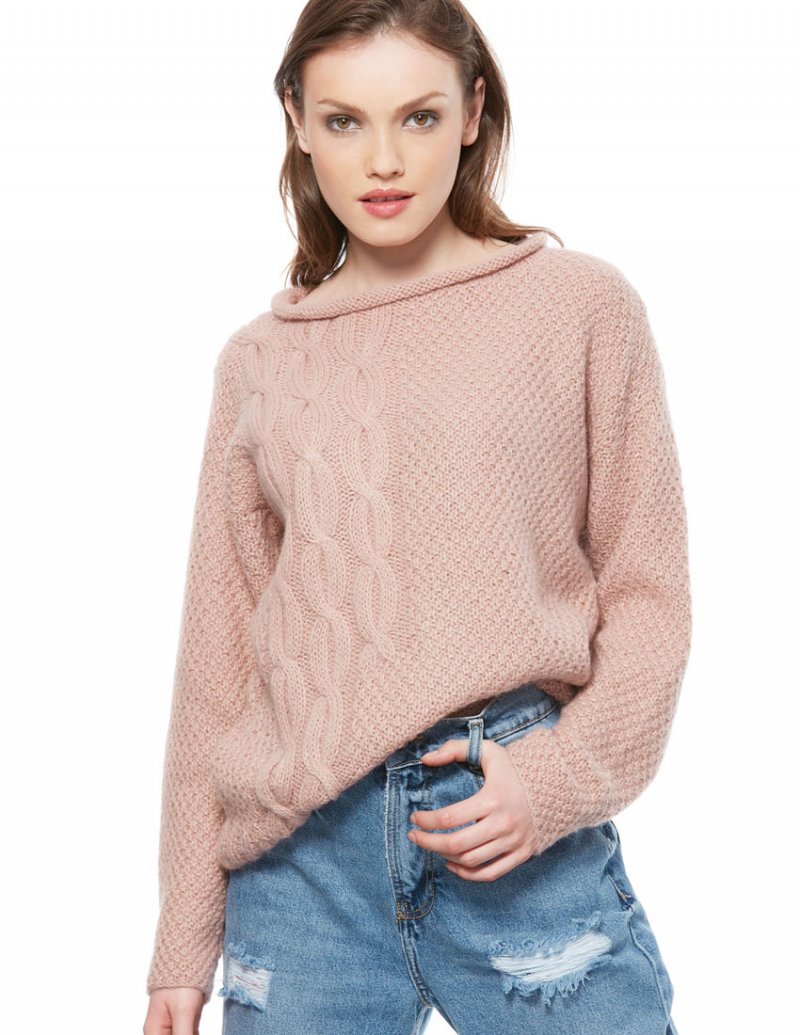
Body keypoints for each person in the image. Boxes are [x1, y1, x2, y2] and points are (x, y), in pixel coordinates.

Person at [143, 2, 692, 1033]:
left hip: (510, 823)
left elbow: (648, 596)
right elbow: (217, 669)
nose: (384, 160)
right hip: (301, 870)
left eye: (420, 116)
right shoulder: (258, 361)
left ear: (474, 112)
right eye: (344, 121)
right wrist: (183, 932)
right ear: (296, 120)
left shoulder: (580, 306)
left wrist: (560, 778)